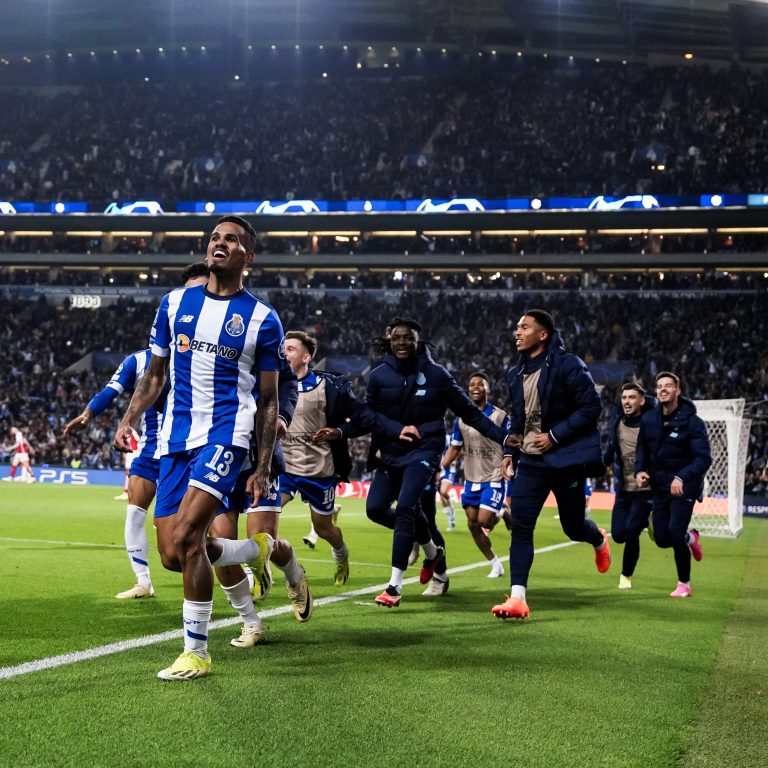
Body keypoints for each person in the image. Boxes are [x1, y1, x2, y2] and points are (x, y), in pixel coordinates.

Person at [113, 215, 282, 681]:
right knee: (173, 554)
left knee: (189, 537)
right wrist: (129, 417)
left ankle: (197, 651)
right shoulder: (173, 304)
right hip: (175, 439)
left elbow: (268, 400)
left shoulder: (263, 319)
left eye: (231, 239)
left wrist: (262, 465)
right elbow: (154, 375)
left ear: (248, 257)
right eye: (215, 238)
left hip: (227, 433)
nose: (219, 244)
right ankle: (253, 550)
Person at [63, 262, 211, 600]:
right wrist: (89, 414)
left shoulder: (204, 356)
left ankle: (242, 563)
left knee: (197, 530)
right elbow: (111, 390)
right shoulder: (140, 361)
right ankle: (143, 582)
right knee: (133, 513)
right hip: (151, 448)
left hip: (193, 447)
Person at [361, 318, 514, 608]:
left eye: (408, 337)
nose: (402, 342)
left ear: (419, 341)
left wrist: (504, 439)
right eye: (397, 338)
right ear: (390, 341)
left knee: (409, 509)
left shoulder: (437, 375)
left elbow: (471, 414)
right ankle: (434, 553)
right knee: (377, 509)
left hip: (424, 453)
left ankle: (394, 587)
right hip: (392, 453)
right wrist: (382, 433)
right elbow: (368, 415)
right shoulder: (379, 375)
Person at [492, 309, 610, 621]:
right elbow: (519, 416)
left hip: (566, 460)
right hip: (531, 460)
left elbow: (592, 406)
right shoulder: (513, 372)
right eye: (516, 326)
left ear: (543, 335)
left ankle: (597, 538)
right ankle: (518, 598)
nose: (517, 331)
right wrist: (509, 448)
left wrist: (554, 437)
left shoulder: (568, 364)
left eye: (525, 327)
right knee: (521, 526)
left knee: (572, 527)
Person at [286, 330, 411, 586]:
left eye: (290, 349)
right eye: (282, 348)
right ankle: (259, 574)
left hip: (318, 471)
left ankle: (341, 554)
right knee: (263, 516)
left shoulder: (329, 387)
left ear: (306, 357)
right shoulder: (272, 383)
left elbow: (363, 417)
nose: (283, 353)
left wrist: (339, 432)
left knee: (323, 528)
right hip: (284, 470)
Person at [635, 371, 711, 598]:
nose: (663, 389)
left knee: (675, 533)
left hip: (684, 486)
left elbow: (703, 458)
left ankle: (684, 584)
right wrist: (640, 470)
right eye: (659, 386)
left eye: (668, 386)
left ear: (678, 391)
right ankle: (692, 538)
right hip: (659, 486)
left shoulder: (693, 423)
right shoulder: (649, 419)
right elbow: (642, 449)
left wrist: (682, 477)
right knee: (661, 539)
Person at [441, 372, 512, 578]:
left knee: (485, 521)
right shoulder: (461, 419)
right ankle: (495, 564)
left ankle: (504, 511)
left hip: (494, 477)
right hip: (471, 480)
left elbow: (510, 441)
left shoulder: (499, 416)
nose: (475, 387)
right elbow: (454, 448)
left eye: (480, 384)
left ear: (488, 390)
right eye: (471, 384)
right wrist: (440, 468)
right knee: (472, 524)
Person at [603, 383, 656, 589]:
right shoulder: (617, 422)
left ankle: (625, 576)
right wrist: (600, 464)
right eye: (624, 397)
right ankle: (648, 521)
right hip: (624, 489)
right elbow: (611, 449)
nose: (627, 401)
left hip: (646, 489)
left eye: (632, 397)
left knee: (632, 532)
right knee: (618, 535)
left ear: (642, 400)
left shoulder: (651, 423)